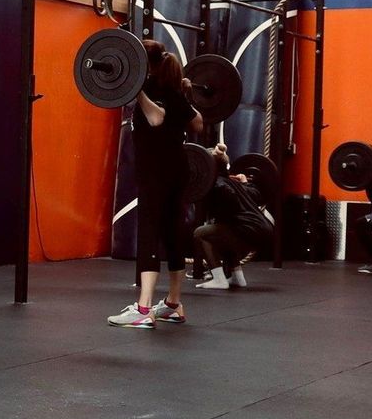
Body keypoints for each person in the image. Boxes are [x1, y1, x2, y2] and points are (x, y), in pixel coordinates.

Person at [110, 40, 197, 328]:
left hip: (157, 173)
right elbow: (196, 122)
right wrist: (184, 95)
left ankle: (144, 308)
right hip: (177, 171)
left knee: (149, 233)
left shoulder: (152, 89)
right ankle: (173, 303)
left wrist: (136, 92)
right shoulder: (173, 89)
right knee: (172, 235)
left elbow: (157, 118)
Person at [193, 145, 268, 291]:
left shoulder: (218, 185)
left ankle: (219, 280)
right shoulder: (231, 182)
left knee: (200, 233)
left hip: (250, 230)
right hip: (263, 230)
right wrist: (245, 183)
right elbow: (257, 195)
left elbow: (229, 199)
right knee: (222, 232)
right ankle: (238, 277)